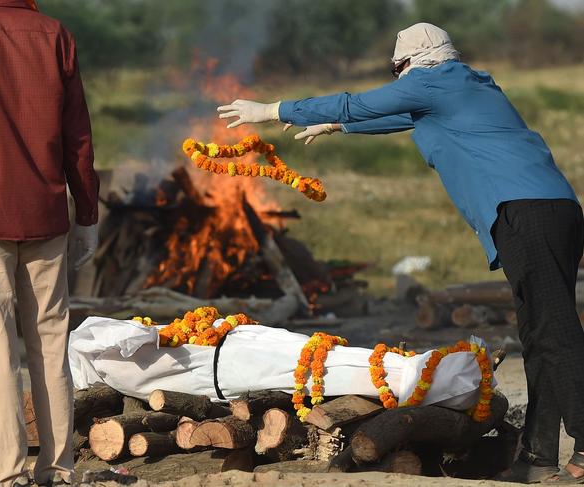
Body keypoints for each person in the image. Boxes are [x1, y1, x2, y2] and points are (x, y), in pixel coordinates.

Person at [218, 23, 584, 484]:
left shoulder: (430, 83)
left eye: (398, 72)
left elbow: (362, 101)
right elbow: (393, 115)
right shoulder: (466, 84)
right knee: (539, 334)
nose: (399, 83)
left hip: (523, 213)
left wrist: (271, 109)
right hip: (553, 210)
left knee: (556, 331)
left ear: (413, 65)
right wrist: (339, 124)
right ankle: (538, 456)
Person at [0, 1, 100, 485]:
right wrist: (87, 214)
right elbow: (79, 138)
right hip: (45, 215)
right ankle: (58, 470)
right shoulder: (55, 34)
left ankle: (9, 475)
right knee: (50, 345)